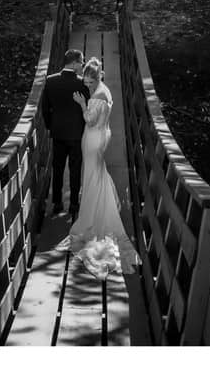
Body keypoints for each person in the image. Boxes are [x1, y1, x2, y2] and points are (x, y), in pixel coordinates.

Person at [65, 56, 139, 279]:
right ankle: (101, 205)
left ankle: (92, 217)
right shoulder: (105, 90)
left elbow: (89, 120)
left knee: (92, 175)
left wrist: (81, 104)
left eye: (88, 81)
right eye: (85, 81)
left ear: (95, 78)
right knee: (98, 173)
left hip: (93, 138)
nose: (86, 85)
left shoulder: (96, 97)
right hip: (102, 137)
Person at [42, 48, 89, 216]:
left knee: (58, 168)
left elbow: (45, 109)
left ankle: (57, 203)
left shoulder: (50, 81)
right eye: (81, 61)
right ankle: (74, 204)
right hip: (77, 134)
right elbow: (87, 109)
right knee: (75, 169)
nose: (82, 64)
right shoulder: (82, 83)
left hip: (58, 133)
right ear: (75, 62)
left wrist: (50, 126)